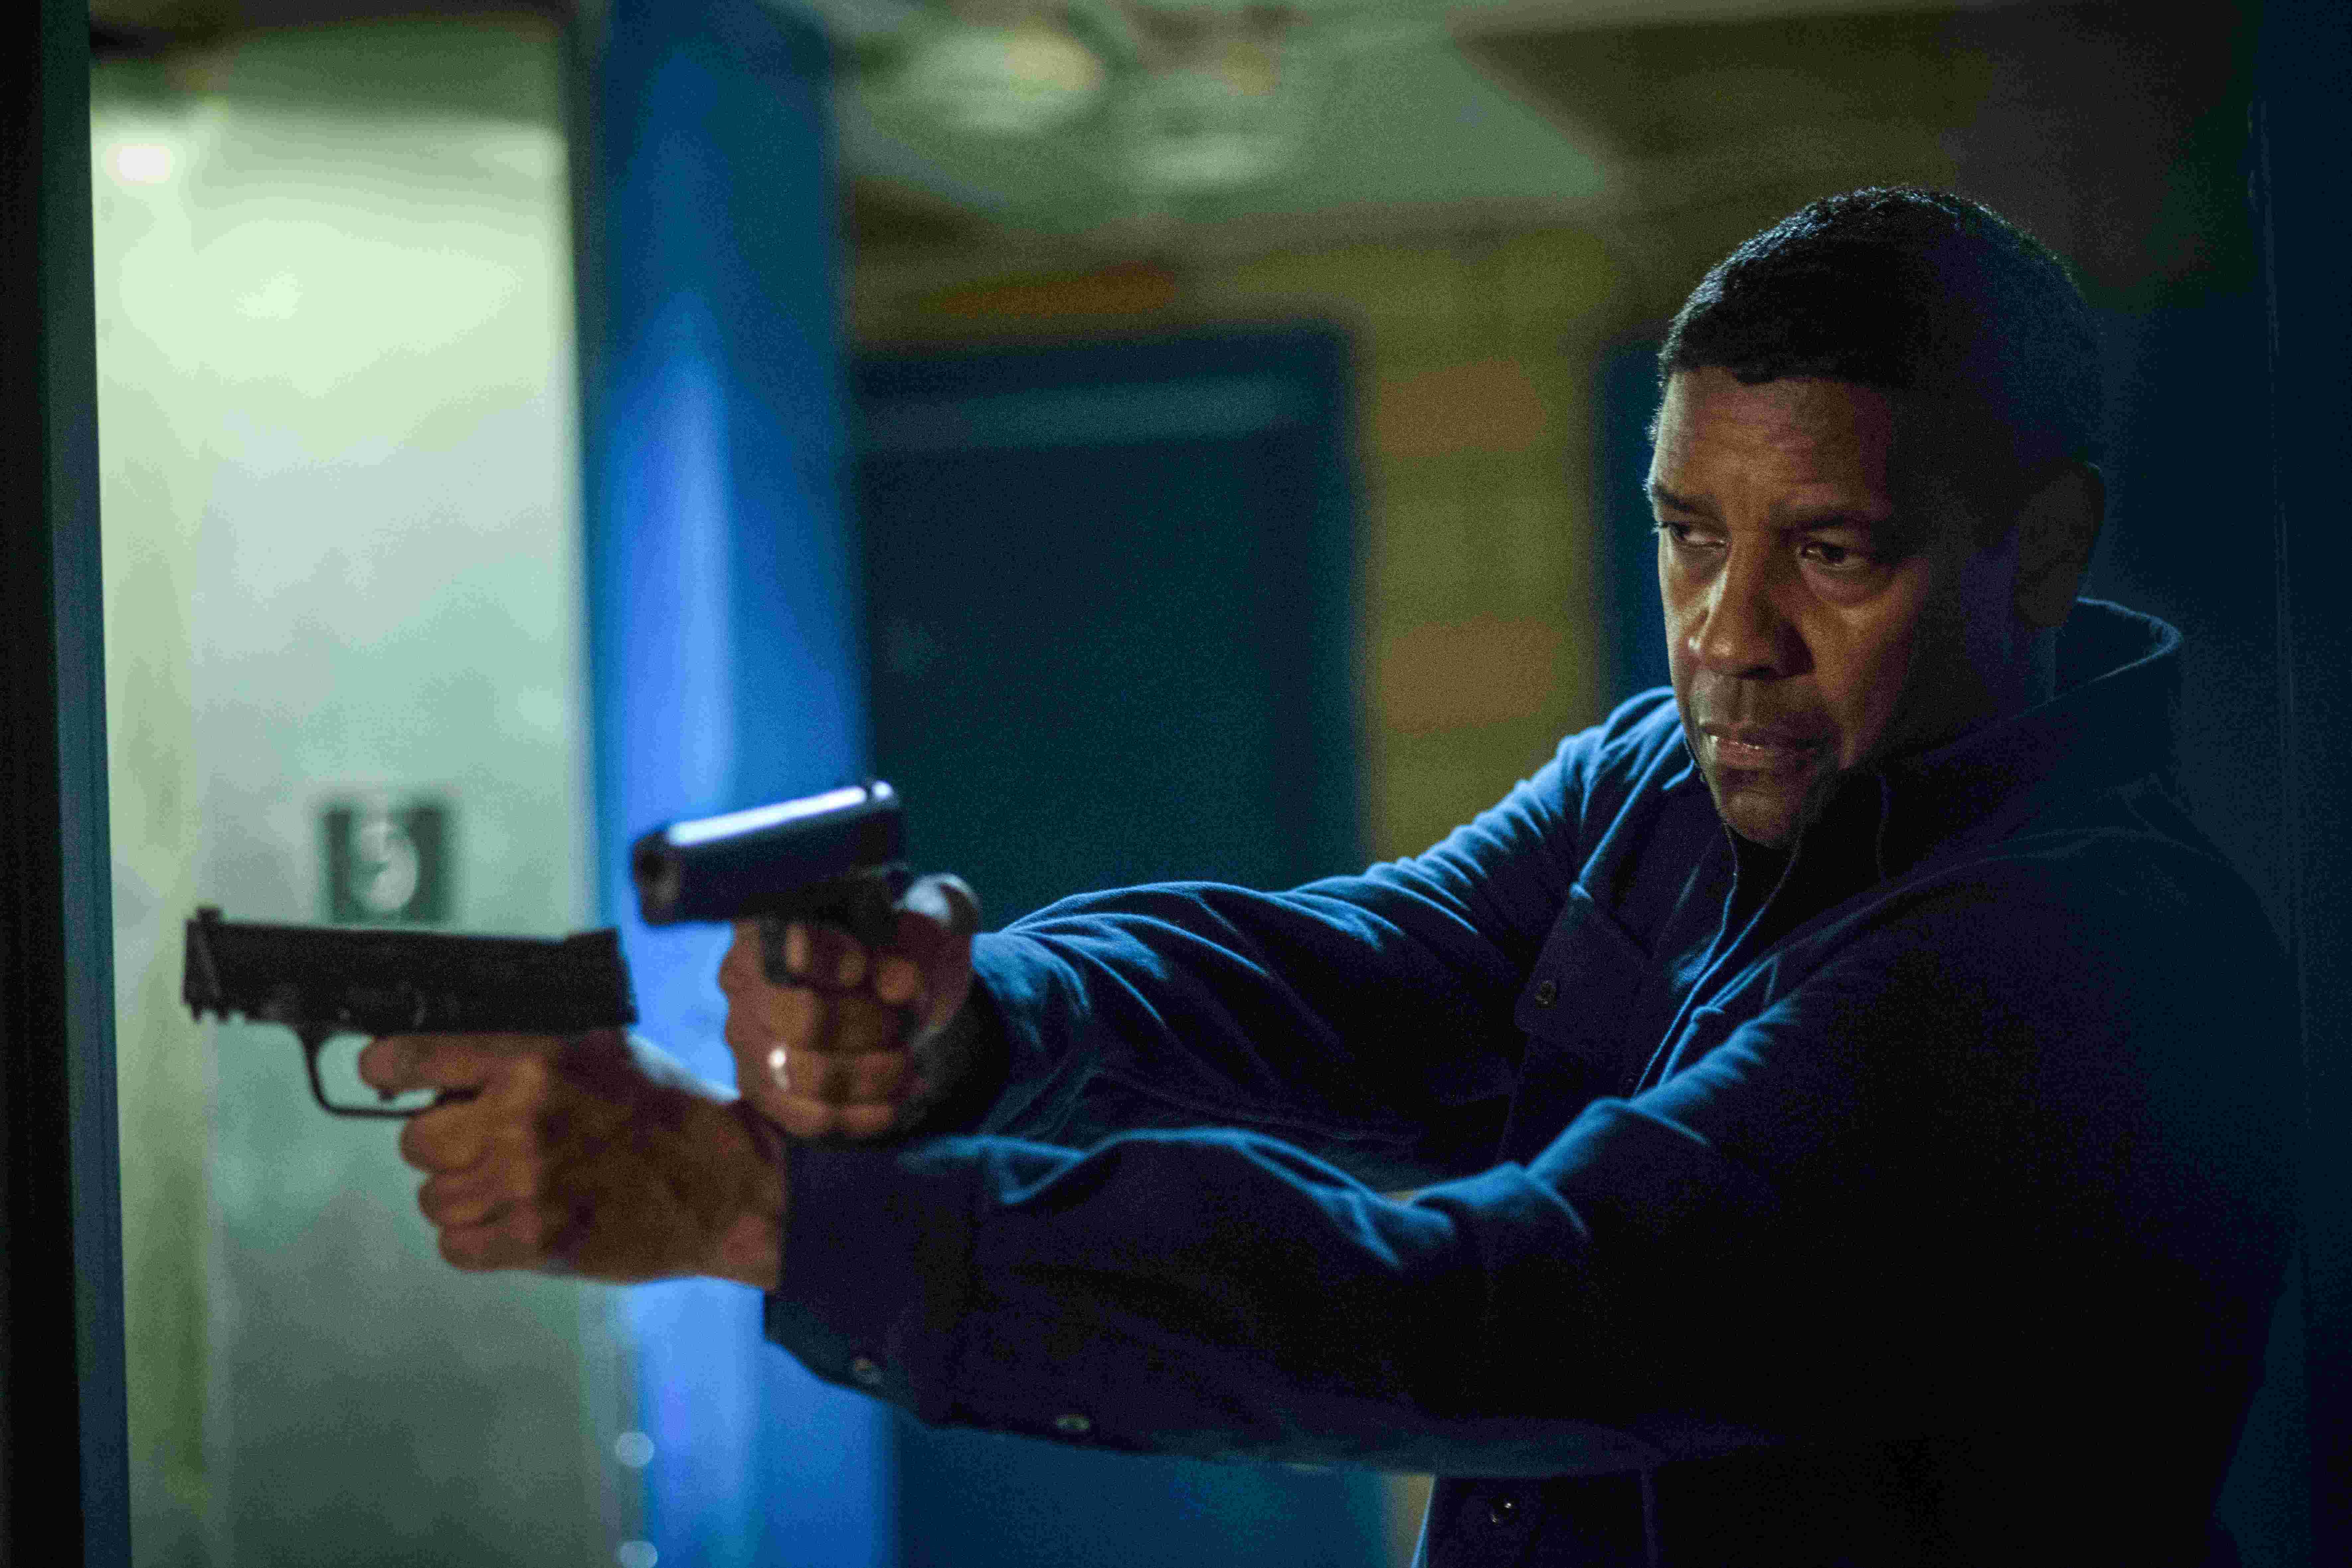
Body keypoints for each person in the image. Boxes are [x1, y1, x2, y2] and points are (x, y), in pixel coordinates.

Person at [360, 189, 2297, 1566]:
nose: (1729, 636)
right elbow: (1365, 972)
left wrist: (755, 1204)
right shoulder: (1670, 780)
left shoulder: (2079, 958)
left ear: (2045, 554)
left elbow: (1504, 1312)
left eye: (1834, 553)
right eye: (1691, 536)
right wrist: (986, 1015)